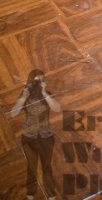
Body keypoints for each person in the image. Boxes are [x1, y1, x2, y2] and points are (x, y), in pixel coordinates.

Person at [10, 68, 61, 200]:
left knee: (47, 167)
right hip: (29, 137)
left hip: (46, 136)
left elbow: (57, 109)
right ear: (29, 81)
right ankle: (30, 194)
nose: (38, 84)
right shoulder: (25, 95)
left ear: (44, 81)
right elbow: (13, 113)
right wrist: (23, 97)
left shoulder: (47, 94)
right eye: (35, 81)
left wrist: (44, 93)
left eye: (41, 80)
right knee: (31, 167)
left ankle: (51, 194)